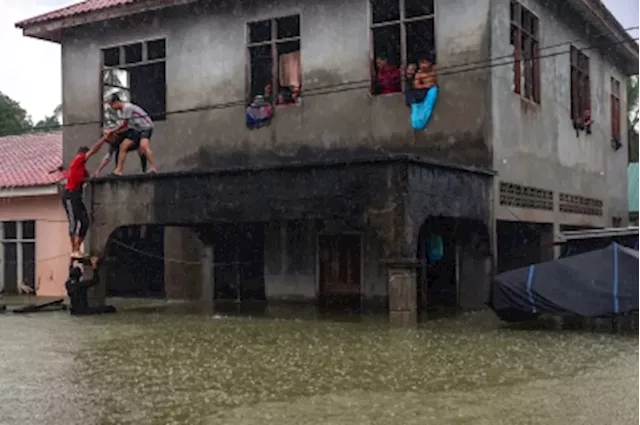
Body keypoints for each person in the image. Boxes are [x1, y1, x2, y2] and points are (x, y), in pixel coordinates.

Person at [61, 137, 108, 259]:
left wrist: (94, 175)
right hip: (69, 195)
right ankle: (74, 250)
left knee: (85, 222)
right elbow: (93, 151)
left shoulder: (81, 169)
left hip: (77, 196)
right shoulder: (78, 160)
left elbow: (87, 177)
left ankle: (77, 247)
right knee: (73, 222)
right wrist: (104, 140)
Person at [106, 94, 158, 175]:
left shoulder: (127, 108)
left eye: (112, 105)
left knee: (144, 146)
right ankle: (118, 170)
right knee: (123, 146)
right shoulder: (122, 112)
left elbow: (124, 124)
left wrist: (112, 131)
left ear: (116, 102)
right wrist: (116, 132)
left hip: (145, 126)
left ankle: (153, 168)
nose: (112, 107)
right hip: (136, 129)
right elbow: (126, 126)